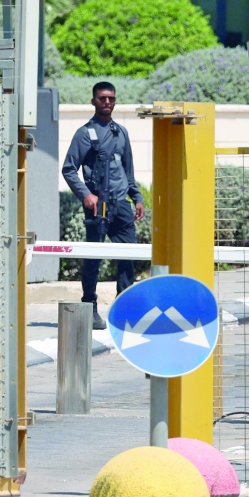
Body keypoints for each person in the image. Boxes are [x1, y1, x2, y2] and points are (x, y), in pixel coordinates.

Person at [62, 81, 145, 330]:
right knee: (93, 259)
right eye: (102, 98)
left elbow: (128, 170)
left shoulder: (121, 132)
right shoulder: (85, 133)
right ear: (94, 101)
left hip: (121, 206)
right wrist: (86, 195)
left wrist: (137, 197)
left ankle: (123, 310)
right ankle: (90, 308)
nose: (107, 102)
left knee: (128, 257)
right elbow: (69, 169)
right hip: (98, 207)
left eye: (111, 98)